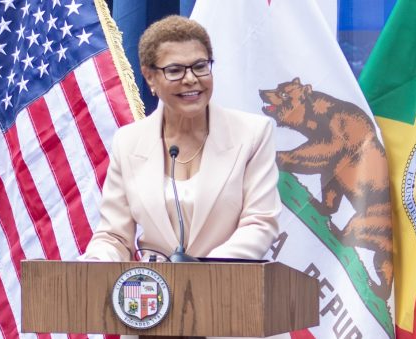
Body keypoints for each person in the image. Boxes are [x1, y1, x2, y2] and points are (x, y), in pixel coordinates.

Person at [83, 15, 281, 263]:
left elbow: (260, 223)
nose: (191, 79)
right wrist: (92, 265)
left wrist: (200, 273)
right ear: (150, 77)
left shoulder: (252, 133)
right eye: (175, 70)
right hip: (151, 294)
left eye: (200, 66)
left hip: (230, 287)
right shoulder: (128, 142)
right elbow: (114, 236)